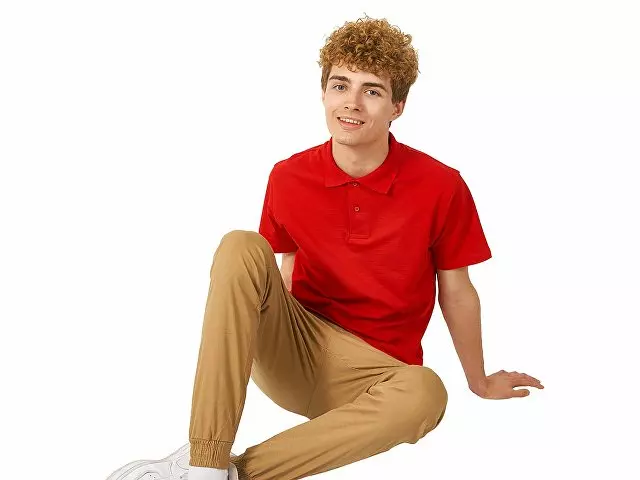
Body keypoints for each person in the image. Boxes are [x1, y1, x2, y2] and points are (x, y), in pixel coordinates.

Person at [106, 15, 544, 480]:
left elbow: (456, 291)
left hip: (375, 378)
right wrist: (277, 327)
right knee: (240, 246)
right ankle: (206, 458)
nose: (351, 102)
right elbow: (284, 270)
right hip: (296, 350)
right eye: (340, 86)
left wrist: (479, 381)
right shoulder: (287, 176)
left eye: (372, 91)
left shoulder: (442, 186)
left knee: (427, 393)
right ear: (324, 94)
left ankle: (218, 475)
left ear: (397, 106)